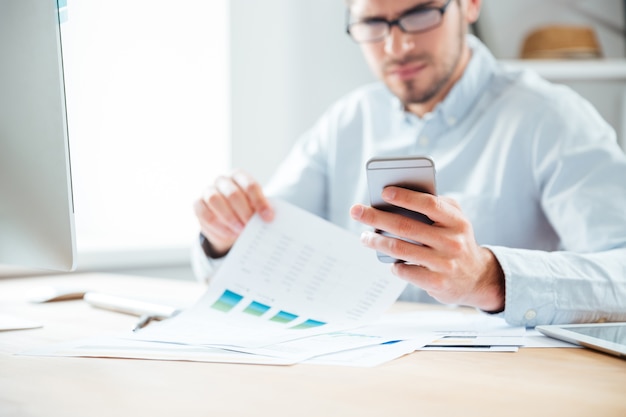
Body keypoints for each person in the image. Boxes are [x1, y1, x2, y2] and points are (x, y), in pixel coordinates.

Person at [192, 0, 626, 327]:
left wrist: (488, 277)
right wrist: (224, 236)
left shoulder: (552, 118)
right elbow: (263, 244)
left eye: (419, 14)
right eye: (372, 24)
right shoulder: (346, 121)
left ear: (470, 5)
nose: (397, 45)